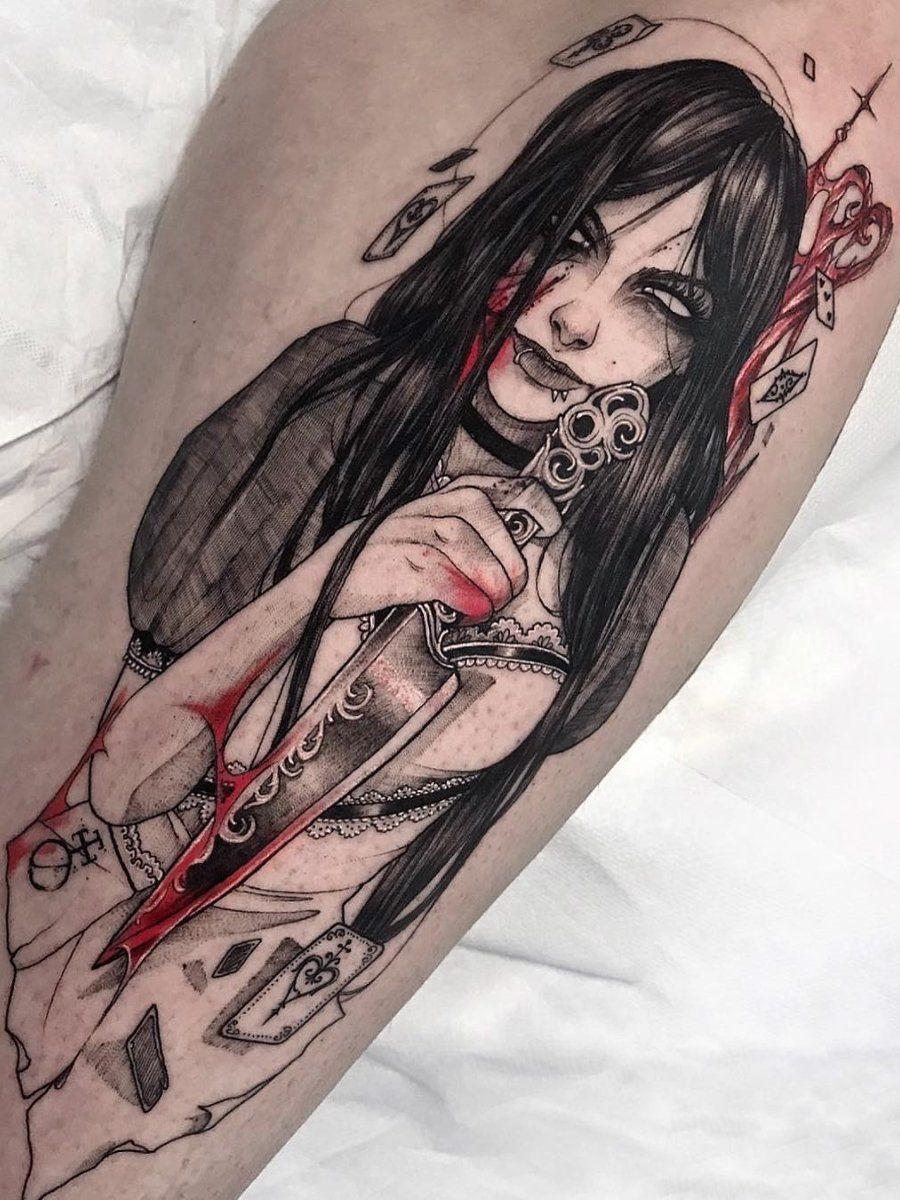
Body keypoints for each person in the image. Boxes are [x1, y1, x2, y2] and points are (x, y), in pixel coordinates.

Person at [0, 5, 896, 1199]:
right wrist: (344, 579)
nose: (577, 312)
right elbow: (121, 780)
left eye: (659, 300)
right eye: (572, 239)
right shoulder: (323, 409)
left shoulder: (600, 589)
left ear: (695, 358)